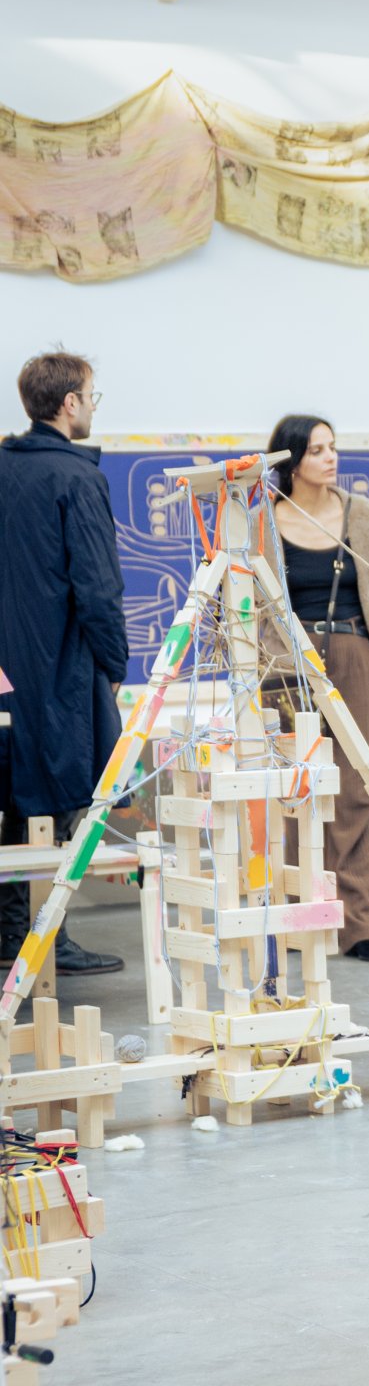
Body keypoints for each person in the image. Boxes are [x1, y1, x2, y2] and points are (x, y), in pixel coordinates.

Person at [0, 350, 129, 978]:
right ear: (70, 404)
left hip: (7, 670)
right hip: (59, 670)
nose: (91, 408)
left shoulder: (4, 467)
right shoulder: (76, 478)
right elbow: (98, 587)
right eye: (91, 396)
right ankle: (45, 934)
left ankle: (8, 933)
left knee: (10, 799)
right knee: (59, 803)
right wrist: (117, 664)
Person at [262, 416, 369, 963]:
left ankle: (360, 925)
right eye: (317, 450)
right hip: (288, 663)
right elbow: (252, 594)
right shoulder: (267, 521)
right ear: (291, 461)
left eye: (333, 448)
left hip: (353, 652)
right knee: (300, 787)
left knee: (358, 785)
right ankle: (305, 916)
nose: (331, 458)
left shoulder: (359, 514)